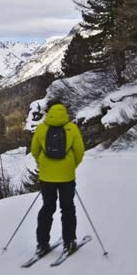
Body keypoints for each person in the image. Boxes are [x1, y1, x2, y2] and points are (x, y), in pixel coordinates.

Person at [30, 100, 85, 255]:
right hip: (66, 176)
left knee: (47, 207)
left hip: (47, 177)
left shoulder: (41, 128)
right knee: (67, 208)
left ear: (50, 112)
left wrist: (43, 166)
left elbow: (34, 150)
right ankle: (69, 241)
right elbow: (80, 151)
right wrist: (70, 167)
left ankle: (42, 243)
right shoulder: (71, 128)